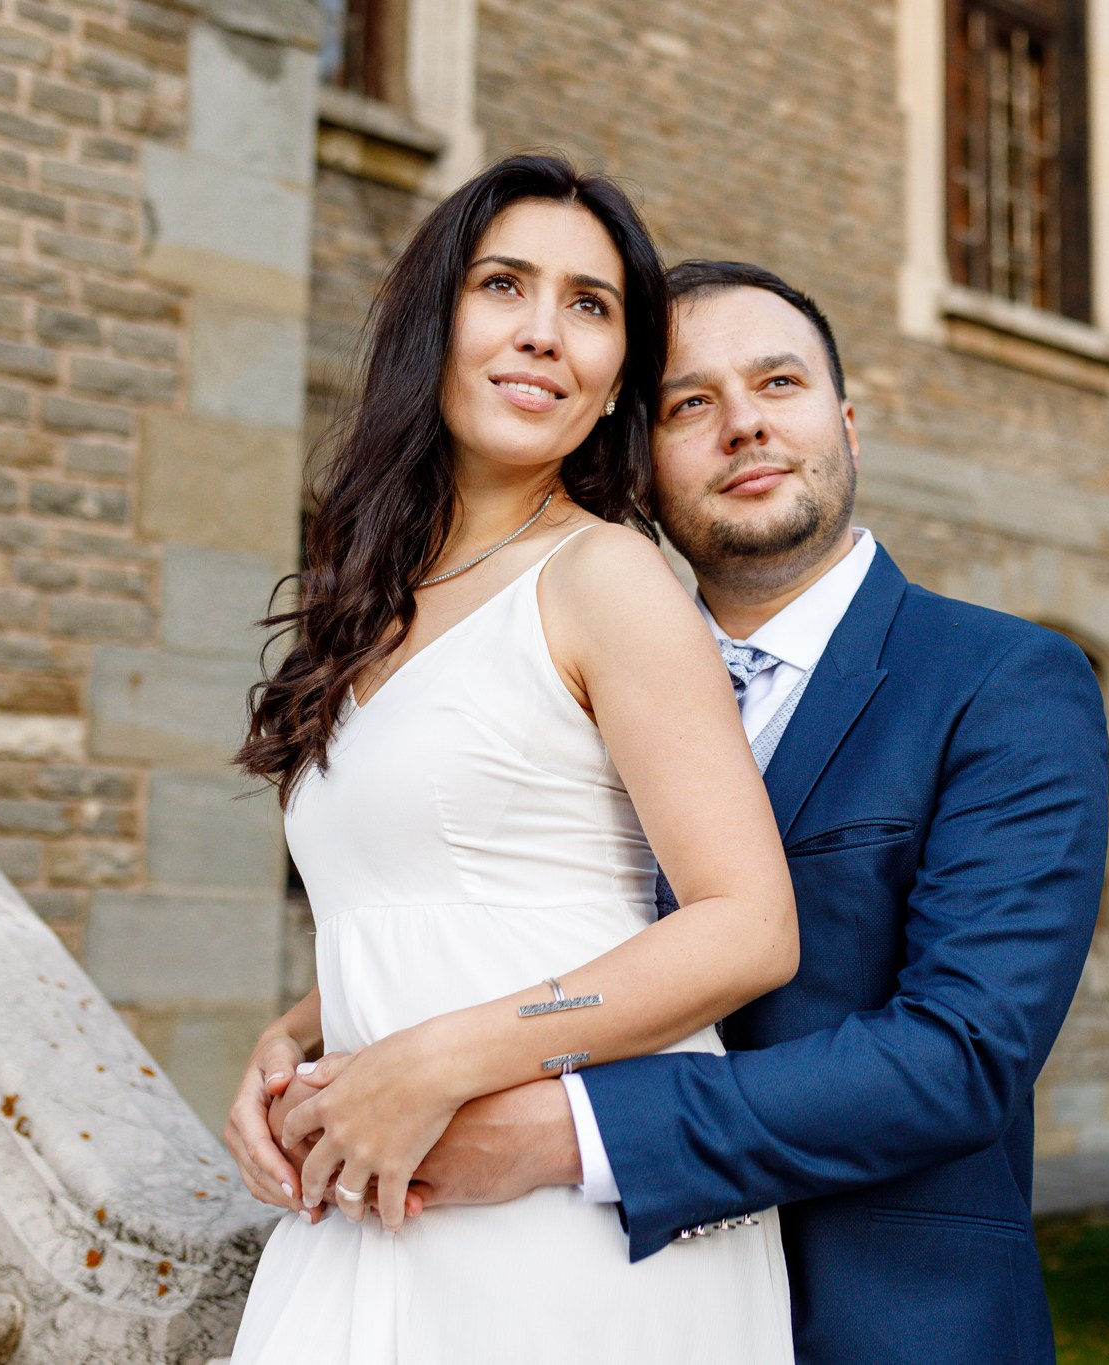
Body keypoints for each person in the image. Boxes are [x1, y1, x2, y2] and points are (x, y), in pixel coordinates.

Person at [274, 261, 1109, 1364]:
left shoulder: (1002, 681)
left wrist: (574, 1135)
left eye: (779, 385)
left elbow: (959, 1054)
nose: (745, 428)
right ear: (639, 460)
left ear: (846, 425)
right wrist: (309, 1033)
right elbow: (540, 905)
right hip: (578, 1297)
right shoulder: (594, 675)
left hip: (882, 1319)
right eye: (690, 405)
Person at [221, 159, 799, 1363]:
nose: (545, 333)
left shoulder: (606, 578)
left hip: (557, 1229)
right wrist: (297, 1039)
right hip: (372, 1192)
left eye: (590, 307)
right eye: (504, 286)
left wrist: (434, 1062)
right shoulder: (372, 604)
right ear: (434, 325)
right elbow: (459, 892)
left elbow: (746, 926)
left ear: (611, 389)